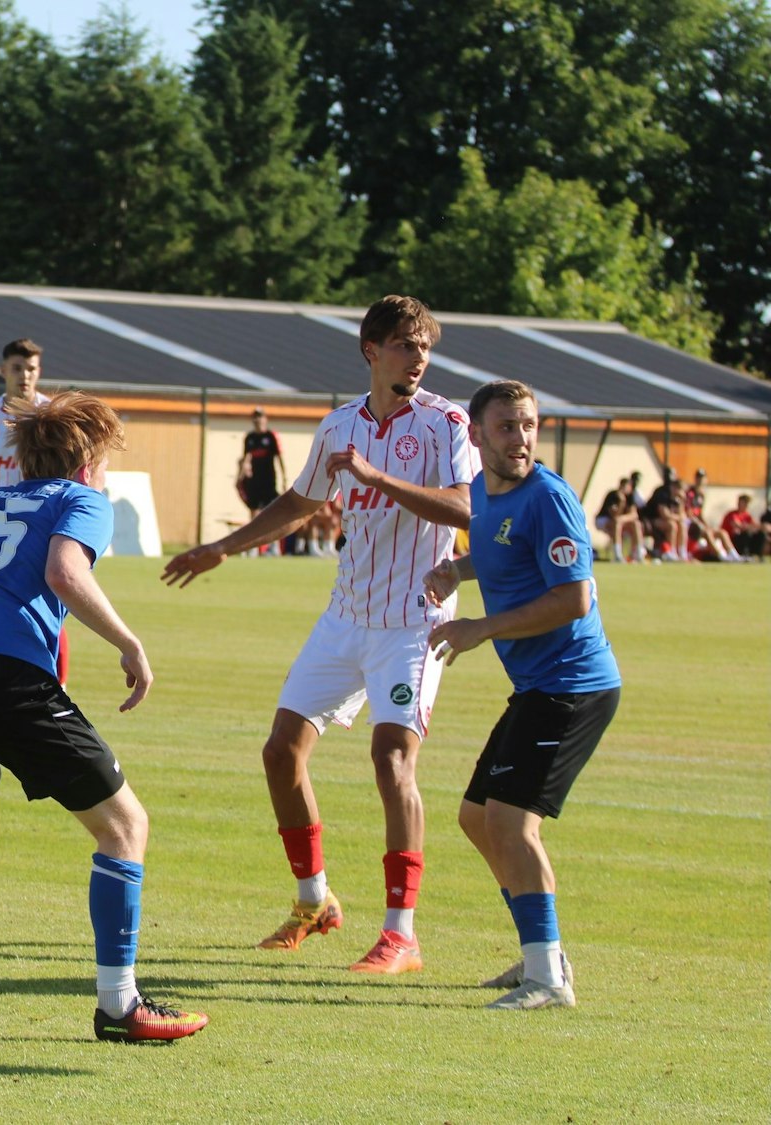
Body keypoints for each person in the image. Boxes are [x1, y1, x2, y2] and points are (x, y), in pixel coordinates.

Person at [161, 295, 476, 975]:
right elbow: (299, 503)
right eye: (404, 345)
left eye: (424, 347)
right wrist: (224, 546)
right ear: (372, 351)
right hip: (344, 617)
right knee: (281, 751)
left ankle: (402, 933)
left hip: (411, 621)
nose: (417, 358)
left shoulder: (447, 420)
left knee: (392, 761)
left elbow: (464, 506)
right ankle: (316, 901)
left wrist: (376, 477)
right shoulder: (338, 427)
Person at [0, 391, 206, 1041]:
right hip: (7, 678)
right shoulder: (80, 501)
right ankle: (119, 1004)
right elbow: (64, 571)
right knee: (124, 826)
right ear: (86, 460)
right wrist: (129, 643)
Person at [423, 379, 620, 1010]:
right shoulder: (481, 491)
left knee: (510, 821)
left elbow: (574, 598)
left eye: (529, 425)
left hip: (573, 685)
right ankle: (544, 952)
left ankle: (547, 978)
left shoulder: (550, 498)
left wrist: (483, 626)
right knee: (477, 818)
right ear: (477, 435)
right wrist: (458, 568)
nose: (521, 438)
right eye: (507, 426)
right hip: (538, 686)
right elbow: (504, 549)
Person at [0, 338, 72, 682]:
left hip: (39, 527)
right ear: (3, 370)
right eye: (18, 368)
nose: (25, 376)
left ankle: (58, 684)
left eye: (32, 369)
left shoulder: (52, 417)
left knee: (48, 603)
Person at [238, 407, 286, 515]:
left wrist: (284, 479)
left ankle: (270, 530)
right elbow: (246, 458)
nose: (257, 420)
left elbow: (280, 457)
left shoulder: (271, 436)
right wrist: (240, 476)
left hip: (268, 478)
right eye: (255, 417)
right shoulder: (250, 437)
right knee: (253, 507)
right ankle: (254, 531)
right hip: (254, 479)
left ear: (265, 419)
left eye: (260, 417)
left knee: (270, 508)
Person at [593, 477, 641, 563]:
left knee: (636, 524)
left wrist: (622, 519)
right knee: (617, 524)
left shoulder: (630, 497)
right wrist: (621, 503)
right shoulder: (614, 495)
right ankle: (617, 555)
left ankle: (638, 553)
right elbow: (613, 515)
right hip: (603, 519)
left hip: (619, 520)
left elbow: (634, 515)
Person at [720, 494, 764, 559]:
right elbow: (739, 526)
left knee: (760, 534)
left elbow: (756, 526)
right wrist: (750, 527)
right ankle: (743, 554)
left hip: (743, 539)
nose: (746, 505)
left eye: (747, 503)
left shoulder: (747, 515)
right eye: (744, 503)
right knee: (746, 534)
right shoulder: (732, 514)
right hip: (732, 541)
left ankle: (757, 555)